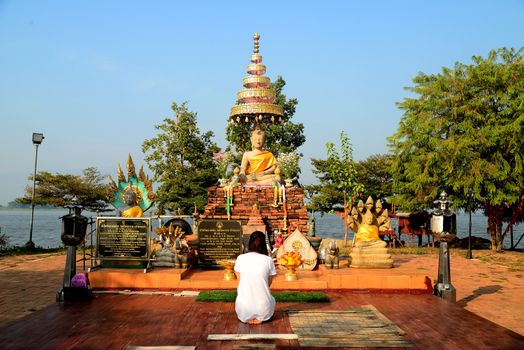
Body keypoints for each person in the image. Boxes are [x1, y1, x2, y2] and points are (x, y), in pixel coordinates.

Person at [234, 231, 277, 324]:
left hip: (243, 311)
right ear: (264, 245)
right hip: (264, 312)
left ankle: (250, 314)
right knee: (269, 298)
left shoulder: (240, 258)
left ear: (250, 243)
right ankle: (261, 315)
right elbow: (268, 283)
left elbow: (240, 281)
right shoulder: (268, 260)